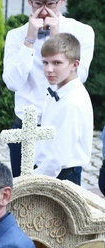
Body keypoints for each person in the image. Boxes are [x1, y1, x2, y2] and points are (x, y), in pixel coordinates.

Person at [2, 0, 94, 178]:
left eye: (51, 3)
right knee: (23, 199)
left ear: (62, 1)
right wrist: (29, 41)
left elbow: (79, 77)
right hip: (26, 128)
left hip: (61, 127)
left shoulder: (82, 31)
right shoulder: (16, 35)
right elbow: (12, 82)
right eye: (38, 3)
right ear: (29, 2)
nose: (44, 11)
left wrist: (56, 38)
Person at [34, 34, 92, 186]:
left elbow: (59, 156)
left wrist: (31, 180)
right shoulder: (57, 90)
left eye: (57, 63)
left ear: (74, 64)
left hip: (62, 175)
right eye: (45, 63)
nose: (49, 69)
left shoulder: (73, 102)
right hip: (47, 168)